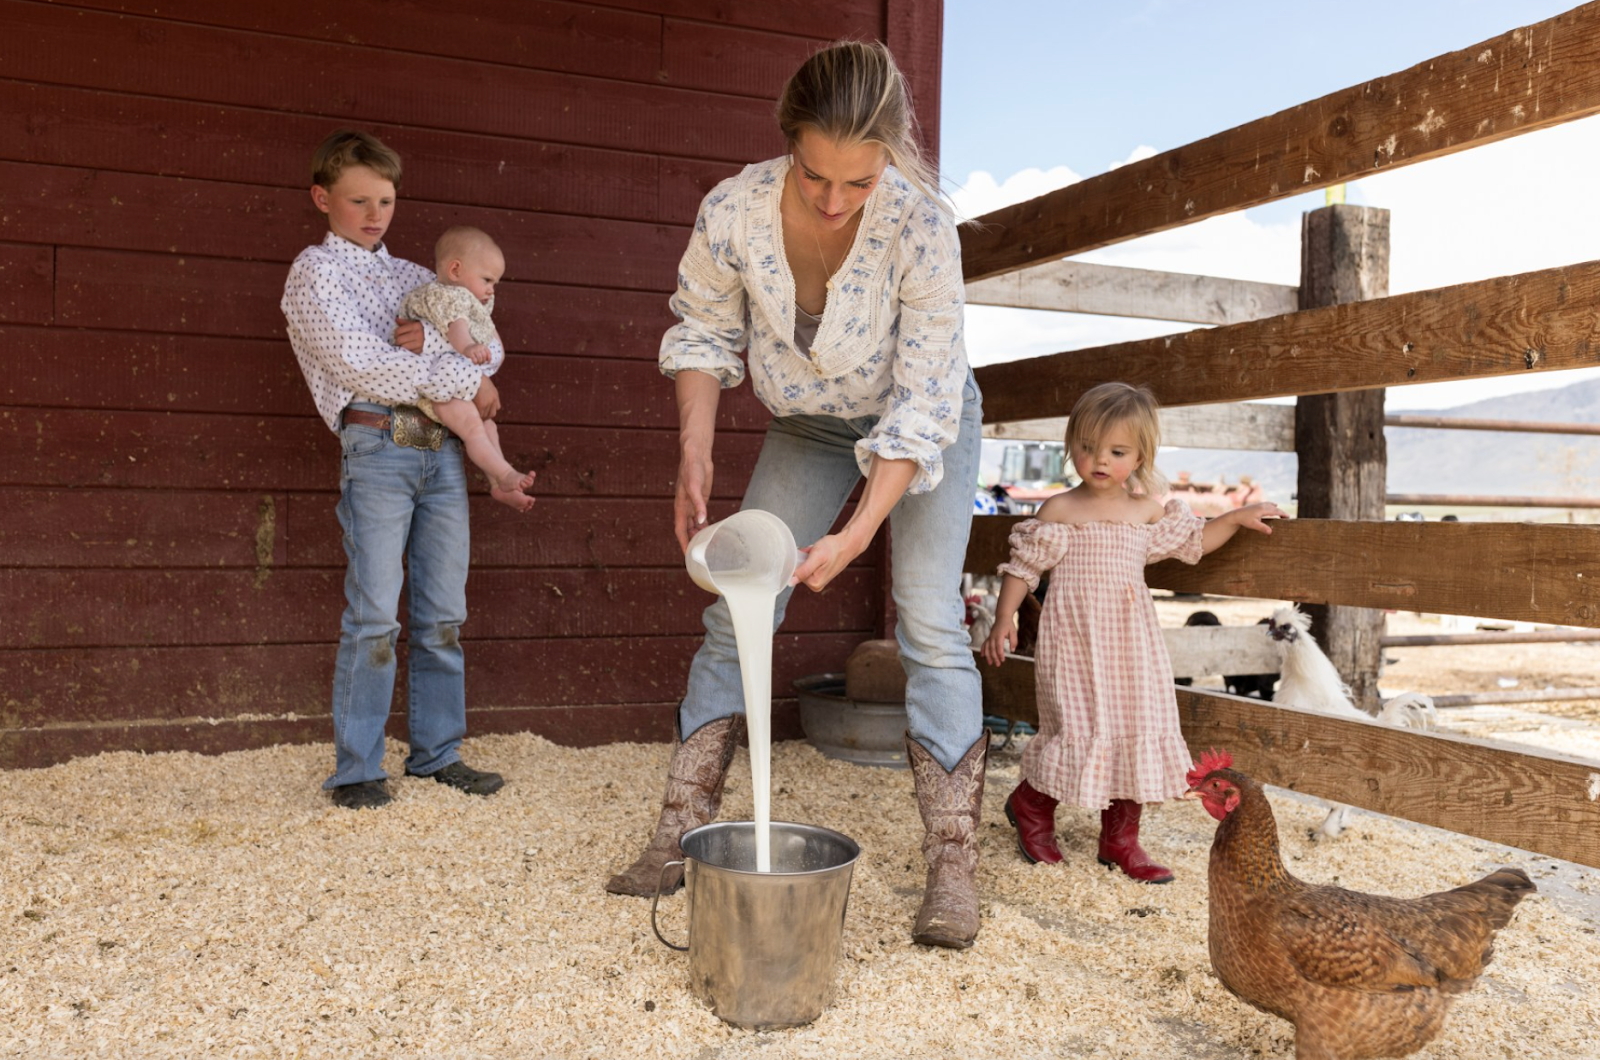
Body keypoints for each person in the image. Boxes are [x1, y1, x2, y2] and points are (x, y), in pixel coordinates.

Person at [605, 41, 988, 950]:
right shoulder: (734, 209)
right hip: (810, 423)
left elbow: (923, 402)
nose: (831, 200)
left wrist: (857, 535)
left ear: (889, 157)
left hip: (922, 423)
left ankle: (952, 861)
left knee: (929, 617)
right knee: (741, 599)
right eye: (816, 174)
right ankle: (678, 828)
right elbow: (700, 328)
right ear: (789, 143)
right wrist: (694, 452)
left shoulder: (924, 229)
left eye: (858, 182)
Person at [281, 129, 506, 810]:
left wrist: (464, 360)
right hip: (378, 447)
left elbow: (490, 344)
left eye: (385, 199)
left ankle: (438, 755)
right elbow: (359, 363)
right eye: (358, 200)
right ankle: (356, 769)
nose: (375, 213)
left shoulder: (416, 277)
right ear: (323, 199)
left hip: (438, 450)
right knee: (375, 613)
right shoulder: (315, 273)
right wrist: (447, 367)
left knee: (443, 612)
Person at [981, 382, 1285, 881]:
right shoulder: (1058, 512)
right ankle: (1032, 806)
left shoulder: (1146, 512)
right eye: (1087, 448)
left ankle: (1121, 840)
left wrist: (1234, 516)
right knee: (1073, 728)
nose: (1099, 460)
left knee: (1136, 727)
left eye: (1117, 452)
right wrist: (1004, 619)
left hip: (1132, 646)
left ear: (1141, 455)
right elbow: (1023, 570)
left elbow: (1197, 541)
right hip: (1075, 645)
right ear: (1071, 445)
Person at [399, 225, 536, 512]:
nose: (491, 289)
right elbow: (457, 329)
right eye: (487, 279)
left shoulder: (467, 299)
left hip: (456, 384)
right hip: (439, 389)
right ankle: (504, 474)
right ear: (456, 270)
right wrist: (469, 348)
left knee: (488, 427)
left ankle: (500, 483)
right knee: (474, 428)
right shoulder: (447, 296)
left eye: (495, 282)